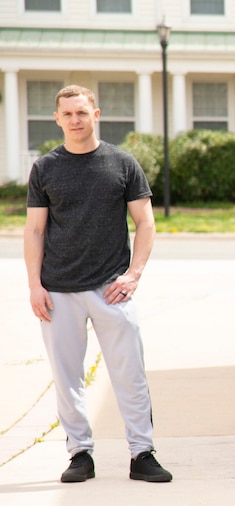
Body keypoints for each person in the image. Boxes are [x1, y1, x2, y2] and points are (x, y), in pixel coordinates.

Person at [24, 85, 173, 484]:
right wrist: (35, 286)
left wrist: (134, 274)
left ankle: (142, 453)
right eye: (68, 114)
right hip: (58, 291)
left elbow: (146, 222)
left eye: (82, 112)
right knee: (67, 376)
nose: (75, 119)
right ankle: (80, 455)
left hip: (112, 288)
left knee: (130, 374)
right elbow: (35, 230)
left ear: (96, 114)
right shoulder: (45, 168)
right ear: (57, 119)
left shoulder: (122, 163)